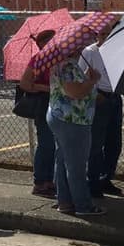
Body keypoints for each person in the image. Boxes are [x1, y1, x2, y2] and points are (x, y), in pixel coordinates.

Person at [46, 39, 103, 217]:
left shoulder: (63, 64)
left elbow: (73, 87)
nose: (82, 47)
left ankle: (65, 201)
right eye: (79, 44)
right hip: (73, 120)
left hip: (62, 117)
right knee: (76, 165)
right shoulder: (68, 66)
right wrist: (92, 81)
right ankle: (82, 205)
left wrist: (86, 77)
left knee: (63, 160)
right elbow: (75, 92)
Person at [81, 26, 124, 197]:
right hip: (99, 97)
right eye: (102, 34)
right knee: (96, 143)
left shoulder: (117, 49)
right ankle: (93, 181)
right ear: (97, 35)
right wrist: (94, 94)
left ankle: (106, 178)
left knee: (114, 142)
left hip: (115, 96)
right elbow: (82, 75)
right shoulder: (90, 52)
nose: (105, 37)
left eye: (108, 33)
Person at [19, 29, 58, 197]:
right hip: (44, 103)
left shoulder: (57, 59)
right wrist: (46, 88)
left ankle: (50, 180)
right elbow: (25, 84)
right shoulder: (38, 60)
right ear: (43, 43)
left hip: (56, 103)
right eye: (51, 40)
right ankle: (40, 181)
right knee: (46, 143)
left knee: (55, 145)